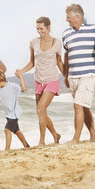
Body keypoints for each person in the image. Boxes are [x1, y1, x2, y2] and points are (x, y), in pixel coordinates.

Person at [16, 16, 63, 146]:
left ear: (48, 28)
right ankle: (55, 135)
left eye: (42, 28)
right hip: (38, 80)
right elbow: (32, 62)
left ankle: (41, 141)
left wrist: (66, 75)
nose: (39, 31)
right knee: (41, 111)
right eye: (37, 28)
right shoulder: (33, 42)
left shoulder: (57, 43)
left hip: (52, 80)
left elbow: (59, 62)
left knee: (40, 109)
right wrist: (22, 71)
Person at [62, 4, 95, 144]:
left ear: (78, 17)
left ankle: (76, 139)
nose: (67, 20)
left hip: (88, 74)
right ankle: (93, 135)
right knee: (83, 106)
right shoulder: (66, 34)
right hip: (73, 76)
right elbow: (67, 56)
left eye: (68, 17)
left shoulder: (94, 29)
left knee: (77, 105)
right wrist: (65, 75)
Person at [0, 69, 30, 150]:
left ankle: (7, 149)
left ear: (0, 80)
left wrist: (21, 77)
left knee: (7, 130)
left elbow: (24, 89)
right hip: (8, 114)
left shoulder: (12, 86)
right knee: (16, 131)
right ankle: (26, 145)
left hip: (14, 114)